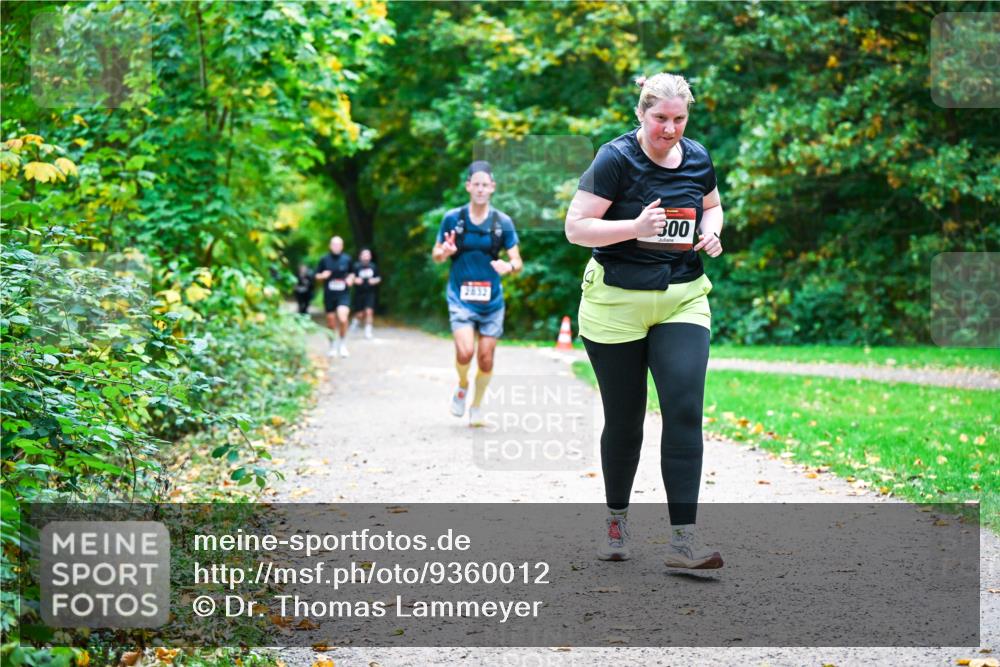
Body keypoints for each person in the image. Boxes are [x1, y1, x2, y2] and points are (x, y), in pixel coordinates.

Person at [564, 73, 725, 569]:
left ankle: (684, 542)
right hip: (616, 302)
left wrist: (710, 233)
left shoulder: (697, 157)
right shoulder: (615, 159)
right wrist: (634, 227)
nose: (671, 129)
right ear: (641, 114)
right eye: (661, 118)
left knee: (682, 409)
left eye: (679, 119)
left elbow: (713, 207)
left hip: (682, 297)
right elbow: (576, 227)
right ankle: (617, 521)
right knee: (626, 416)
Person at [432, 161, 523, 426]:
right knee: (464, 352)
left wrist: (509, 266)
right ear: (468, 186)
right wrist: (444, 252)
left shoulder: (502, 222)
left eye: (486, 185)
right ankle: (462, 385)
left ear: (492, 188)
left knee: (485, 357)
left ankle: (477, 405)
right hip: (460, 297)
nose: (481, 189)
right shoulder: (453, 218)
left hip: (491, 301)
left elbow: (517, 261)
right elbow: (437, 254)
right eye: (476, 184)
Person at [315, 236, 355, 358]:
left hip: (343, 294)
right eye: (334, 244)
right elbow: (316, 276)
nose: (336, 247)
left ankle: (342, 344)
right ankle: (332, 345)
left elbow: (353, 273)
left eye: (338, 245)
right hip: (329, 295)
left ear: (342, 246)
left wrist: (350, 279)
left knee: (343, 318)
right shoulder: (324, 259)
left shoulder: (347, 259)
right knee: (331, 322)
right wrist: (323, 275)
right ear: (330, 246)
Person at [350, 247, 381, 339]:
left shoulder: (373, 266)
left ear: (370, 257)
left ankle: (368, 331)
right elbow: (350, 277)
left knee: (369, 311)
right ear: (360, 256)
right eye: (364, 255)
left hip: (370, 293)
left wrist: (374, 281)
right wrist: (355, 280)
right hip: (359, 293)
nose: (366, 257)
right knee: (360, 314)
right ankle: (355, 322)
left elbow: (378, 278)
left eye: (368, 255)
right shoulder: (356, 266)